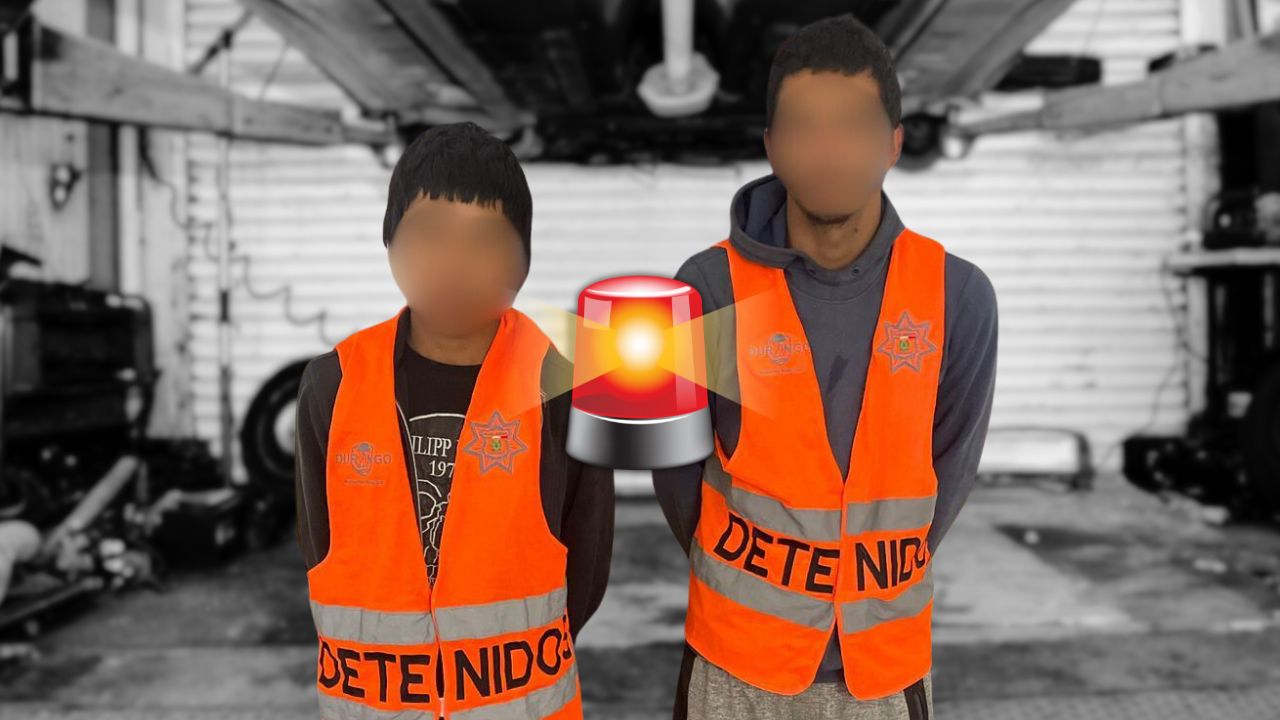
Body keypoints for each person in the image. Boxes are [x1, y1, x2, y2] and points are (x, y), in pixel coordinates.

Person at [652, 14, 999, 720]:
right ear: (771, 146)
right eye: (805, 127)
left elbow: (952, 466)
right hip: (735, 663)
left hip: (883, 668)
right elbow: (675, 475)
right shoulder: (703, 288)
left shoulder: (956, 293)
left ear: (894, 142)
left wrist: (863, 582)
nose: (829, 150)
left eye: (852, 126)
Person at [294, 121, 614, 720]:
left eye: (486, 239)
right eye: (430, 233)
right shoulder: (333, 384)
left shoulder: (561, 384)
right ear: (390, 240)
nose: (454, 263)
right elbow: (320, 544)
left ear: (524, 258)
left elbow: (588, 563)